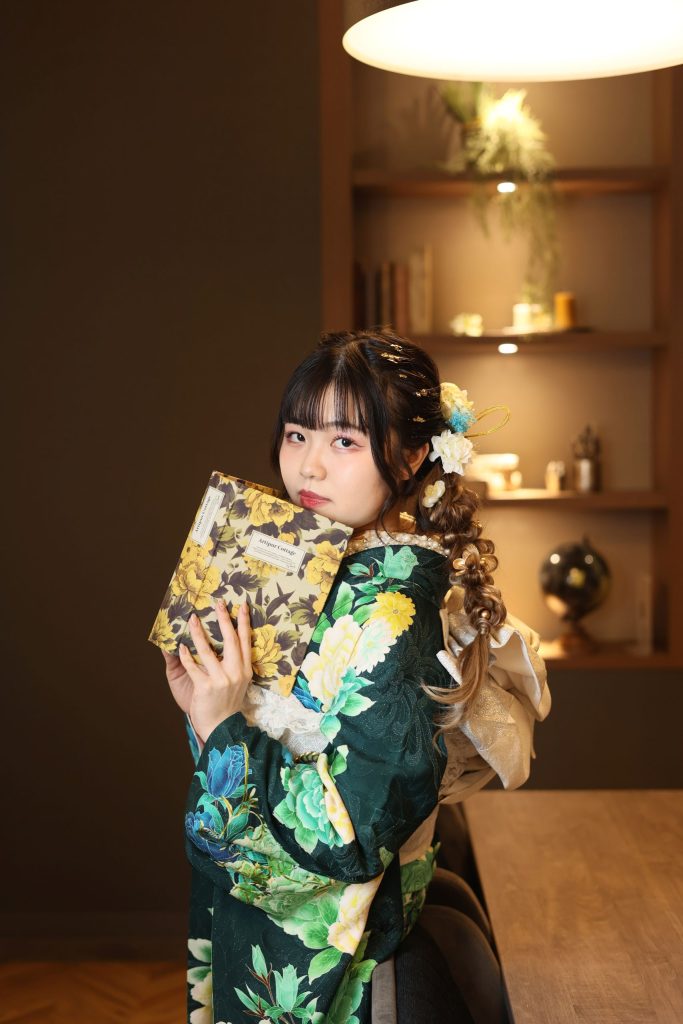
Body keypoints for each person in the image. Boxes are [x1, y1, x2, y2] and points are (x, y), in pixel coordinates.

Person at [161, 328, 550, 1024]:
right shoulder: (318, 568)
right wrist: (208, 708)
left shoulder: (393, 612)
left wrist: (222, 729)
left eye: (344, 441)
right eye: (296, 435)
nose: (308, 466)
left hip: (340, 951)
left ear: (411, 455)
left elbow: (346, 839)